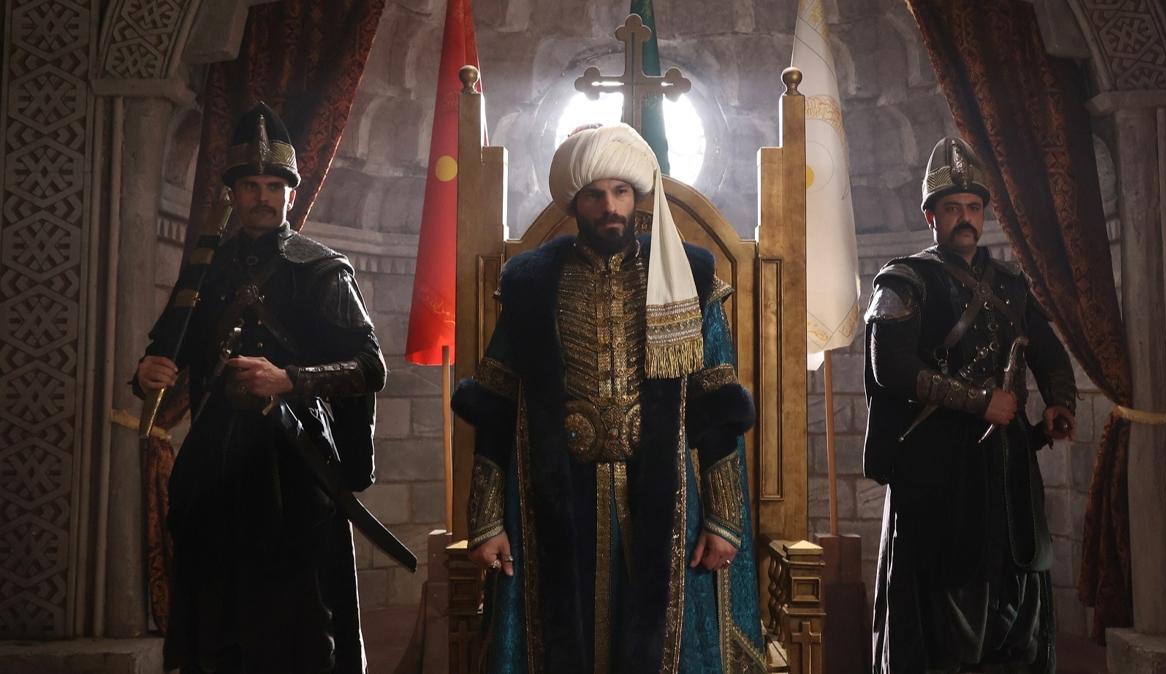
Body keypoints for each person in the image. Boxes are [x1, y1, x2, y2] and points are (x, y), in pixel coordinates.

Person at [452, 123, 766, 673]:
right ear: (575, 203)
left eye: (620, 191)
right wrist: (485, 518)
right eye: (595, 195)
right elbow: (495, 408)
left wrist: (723, 519)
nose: (609, 206)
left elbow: (716, 405)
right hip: (553, 497)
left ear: (637, 196)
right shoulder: (530, 282)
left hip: (665, 497)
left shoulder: (685, 276)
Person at [134, 102, 385, 674]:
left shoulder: (323, 270)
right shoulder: (207, 270)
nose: (263, 197)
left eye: (274, 186)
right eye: (251, 185)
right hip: (215, 463)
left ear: (291, 195)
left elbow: (371, 369)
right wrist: (145, 374)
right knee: (216, 611)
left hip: (295, 460)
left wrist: (289, 379)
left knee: (301, 616)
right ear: (234, 192)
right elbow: (164, 353)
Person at [862, 137, 1078, 674]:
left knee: (1015, 593)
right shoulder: (903, 280)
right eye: (954, 207)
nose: (966, 218)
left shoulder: (1011, 284)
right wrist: (981, 402)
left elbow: (1049, 352)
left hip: (1005, 467)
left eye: (974, 207)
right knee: (940, 608)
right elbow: (892, 367)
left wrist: (1059, 402)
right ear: (930, 216)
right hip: (934, 469)